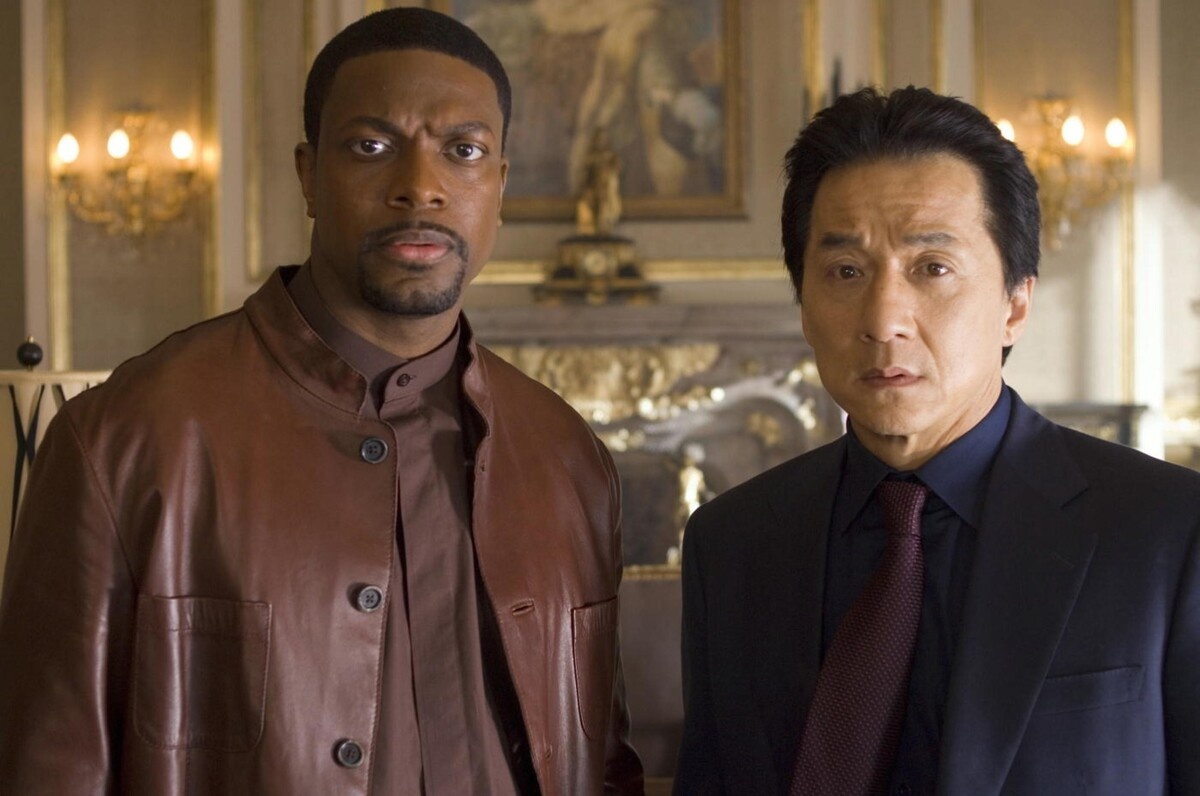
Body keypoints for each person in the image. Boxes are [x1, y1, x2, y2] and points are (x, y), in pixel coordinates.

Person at [0, 8, 643, 795]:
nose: (420, 187)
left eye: (464, 151)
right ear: (308, 175)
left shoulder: (568, 456)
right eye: (372, 146)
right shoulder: (126, 437)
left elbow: (604, 766)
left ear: (499, 186)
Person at [675, 86, 1200, 795]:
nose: (883, 318)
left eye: (932, 267)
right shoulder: (733, 543)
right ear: (803, 307)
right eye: (846, 272)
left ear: (1016, 303)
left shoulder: (1167, 531)